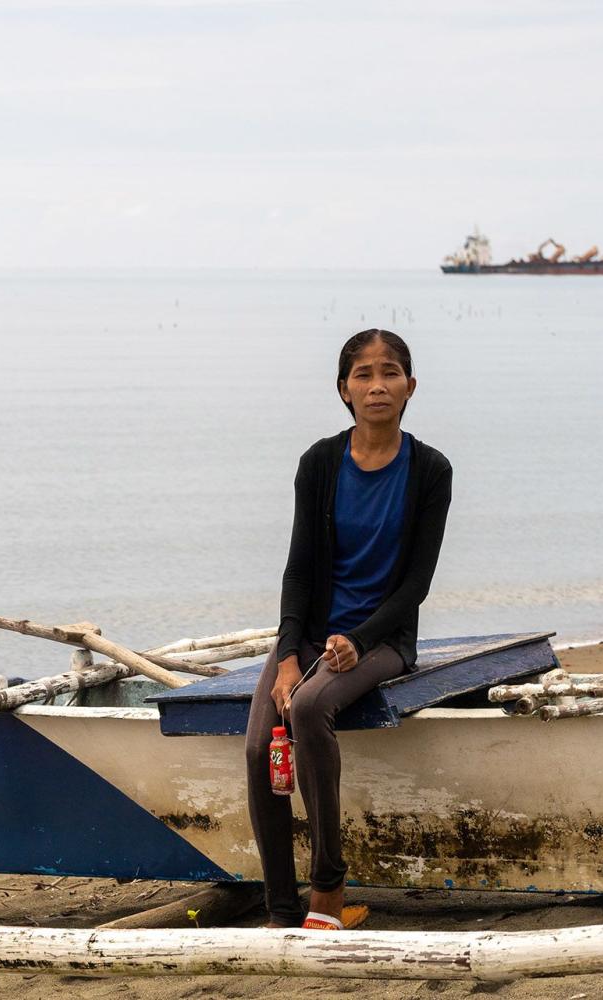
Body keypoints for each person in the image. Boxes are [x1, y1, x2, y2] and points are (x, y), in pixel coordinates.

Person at [245, 328, 452, 930]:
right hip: (309, 636)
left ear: (410, 387)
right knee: (260, 747)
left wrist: (359, 641)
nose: (377, 385)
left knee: (308, 710)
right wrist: (287, 654)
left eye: (390, 372)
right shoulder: (319, 463)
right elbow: (298, 569)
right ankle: (281, 912)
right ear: (344, 390)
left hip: (383, 641)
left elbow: (416, 585)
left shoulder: (430, 470)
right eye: (363, 374)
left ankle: (328, 889)